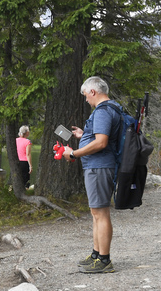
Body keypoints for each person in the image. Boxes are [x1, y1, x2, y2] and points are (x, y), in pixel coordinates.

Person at [62, 76, 120, 273]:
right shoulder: (111, 108)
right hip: (98, 167)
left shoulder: (103, 111)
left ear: (93, 92)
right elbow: (99, 136)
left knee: (101, 213)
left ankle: (104, 260)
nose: (86, 99)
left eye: (86, 95)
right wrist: (83, 134)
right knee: (96, 213)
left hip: (99, 167)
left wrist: (73, 154)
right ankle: (97, 254)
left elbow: (101, 142)